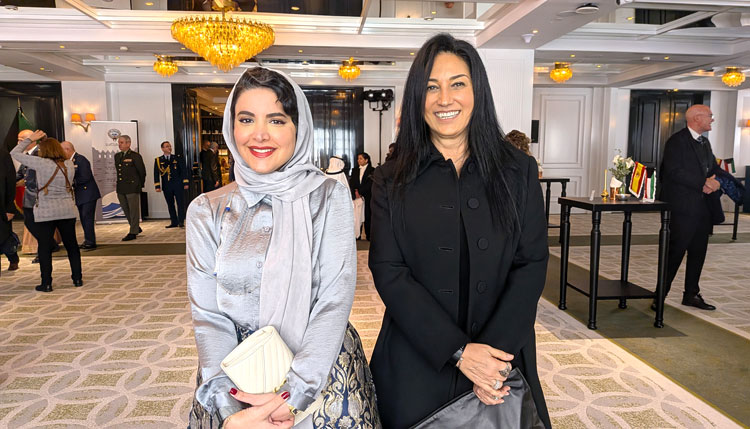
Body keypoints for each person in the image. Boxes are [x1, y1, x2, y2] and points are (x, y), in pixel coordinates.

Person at [368, 33, 550, 428]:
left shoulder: (518, 171)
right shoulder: (389, 180)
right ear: (417, 98)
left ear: (477, 91)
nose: (444, 99)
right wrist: (459, 352)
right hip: (416, 360)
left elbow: (531, 263)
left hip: (502, 359)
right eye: (431, 87)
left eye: (457, 84)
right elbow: (389, 272)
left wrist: (492, 358)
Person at [186, 67, 378, 429]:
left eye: (276, 120)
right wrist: (232, 408)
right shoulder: (206, 209)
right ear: (231, 127)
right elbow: (208, 315)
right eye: (246, 119)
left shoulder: (327, 196)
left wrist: (295, 394)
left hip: (320, 372)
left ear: (298, 128)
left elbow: (334, 298)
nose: (259, 134)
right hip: (236, 373)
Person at [657, 104, 720, 311]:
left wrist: (716, 182)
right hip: (681, 208)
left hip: (702, 207)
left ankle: (691, 294)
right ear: (696, 118)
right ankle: (659, 295)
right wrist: (703, 182)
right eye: (709, 116)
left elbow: (713, 168)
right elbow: (674, 172)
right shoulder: (676, 141)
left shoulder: (705, 142)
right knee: (674, 253)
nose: (712, 119)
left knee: (698, 252)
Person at [11, 131, 82, 292]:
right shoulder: (69, 164)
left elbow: (14, 153)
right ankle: (77, 278)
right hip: (67, 210)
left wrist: (30, 139)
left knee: (44, 247)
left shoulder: (40, 163)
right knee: (72, 245)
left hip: (46, 211)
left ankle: (47, 283)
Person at [60, 141, 101, 250]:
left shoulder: (81, 160)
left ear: (67, 149)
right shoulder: (69, 161)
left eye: (61, 150)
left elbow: (86, 177)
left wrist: (70, 183)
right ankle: (88, 240)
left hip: (88, 194)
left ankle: (90, 242)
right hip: (81, 194)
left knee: (87, 218)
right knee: (83, 218)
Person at [115, 135, 146, 241]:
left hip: (132, 187)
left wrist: (139, 185)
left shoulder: (135, 156)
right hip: (121, 187)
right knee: (126, 209)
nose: (119, 145)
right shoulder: (117, 156)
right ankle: (135, 227)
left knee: (133, 211)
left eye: (122, 142)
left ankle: (133, 232)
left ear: (128, 144)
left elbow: (142, 172)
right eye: (119, 143)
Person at [153, 141, 189, 228]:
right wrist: (157, 186)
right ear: (162, 149)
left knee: (180, 203)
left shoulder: (177, 158)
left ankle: (181, 221)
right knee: (170, 204)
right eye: (167, 146)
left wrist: (185, 182)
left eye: (169, 146)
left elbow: (183, 171)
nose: (169, 148)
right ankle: (174, 222)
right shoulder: (158, 160)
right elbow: (156, 174)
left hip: (178, 185)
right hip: (167, 186)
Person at [0, 145, 19, 273]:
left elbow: (10, 182)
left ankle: (13, 258)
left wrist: (10, 208)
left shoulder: (3, 155)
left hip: (2, 206)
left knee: (4, 236)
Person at [348, 152, 374, 240]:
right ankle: (357, 235)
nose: (358, 160)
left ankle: (368, 235)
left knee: (367, 215)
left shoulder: (372, 170)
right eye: (358, 158)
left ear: (366, 160)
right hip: (357, 196)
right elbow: (352, 182)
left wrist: (360, 192)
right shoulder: (355, 170)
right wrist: (355, 191)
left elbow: (370, 184)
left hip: (367, 196)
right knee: (357, 215)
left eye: (361, 158)